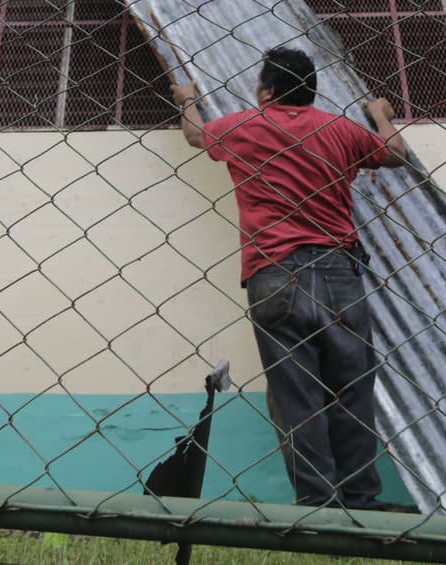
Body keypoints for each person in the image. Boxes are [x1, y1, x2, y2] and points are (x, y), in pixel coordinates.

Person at [171, 46, 408, 510]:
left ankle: (317, 503)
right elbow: (396, 154)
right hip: (339, 271)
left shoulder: (246, 126)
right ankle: (361, 499)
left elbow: (196, 135)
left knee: (295, 397)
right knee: (352, 391)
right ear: (311, 92)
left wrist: (187, 99)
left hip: (275, 273)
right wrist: (380, 114)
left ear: (266, 91)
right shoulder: (339, 129)